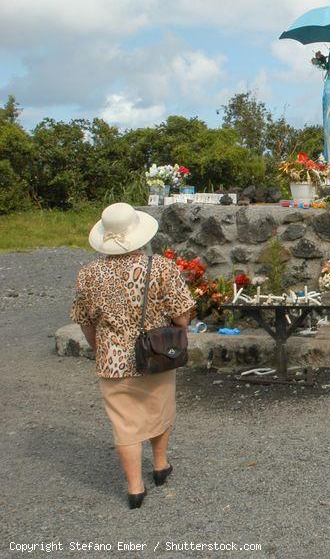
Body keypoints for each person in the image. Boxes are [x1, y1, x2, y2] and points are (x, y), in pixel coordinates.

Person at [71, 203, 194, 508]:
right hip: (156, 355)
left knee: (124, 424)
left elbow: (85, 322)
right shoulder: (162, 267)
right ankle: (160, 465)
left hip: (112, 359)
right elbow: (182, 317)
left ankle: (135, 488)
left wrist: (100, 348)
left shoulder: (87, 274)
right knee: (160, 409)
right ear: (138, 233)